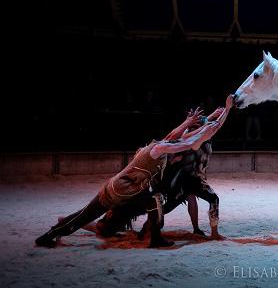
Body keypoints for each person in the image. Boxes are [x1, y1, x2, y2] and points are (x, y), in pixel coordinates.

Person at [35, 95, 233, 248]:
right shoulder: (160, 150)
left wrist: (190, 122)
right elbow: (188, 142)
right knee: (154, 199)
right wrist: (220, 116)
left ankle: (48, 236)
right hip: (125, 189)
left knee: (84, 216)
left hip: (113, 187)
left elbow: (175, 135)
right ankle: (154, 239)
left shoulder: (155, 145)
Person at [96, 106, 226, 240]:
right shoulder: (187, 136)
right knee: (159, 209)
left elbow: (206, 126)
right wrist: (223, 111)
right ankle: (146, 230)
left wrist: (212, 116)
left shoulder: (198, 133)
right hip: (172, 181)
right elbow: (188, 134)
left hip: (186, 179)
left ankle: (197, 229)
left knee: (193, 200)